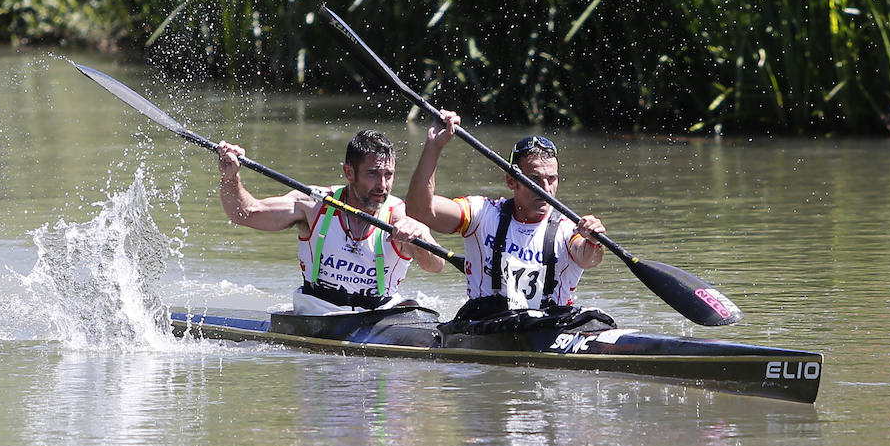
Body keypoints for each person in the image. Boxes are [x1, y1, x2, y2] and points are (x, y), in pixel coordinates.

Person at [216, 130, 447, 312]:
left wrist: (419, 236)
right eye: (373, 174)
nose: (383, 185)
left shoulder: (400, 216)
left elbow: (436, 266)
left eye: (389, 175)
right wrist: (230, 177)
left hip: (379, 315)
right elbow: (245, 213)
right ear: (349, 172)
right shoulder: (313, 204)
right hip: (318, 310)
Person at [406, 114, 605, 319]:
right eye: (535, 180)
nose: (546, 189)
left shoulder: (569, 228)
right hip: (486, 322)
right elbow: (419, 211)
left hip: (550, 326)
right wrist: (434, 146)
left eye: (551, 179)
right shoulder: (481, 214)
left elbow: (588, 258)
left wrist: (594, 241)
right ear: (511, 181)